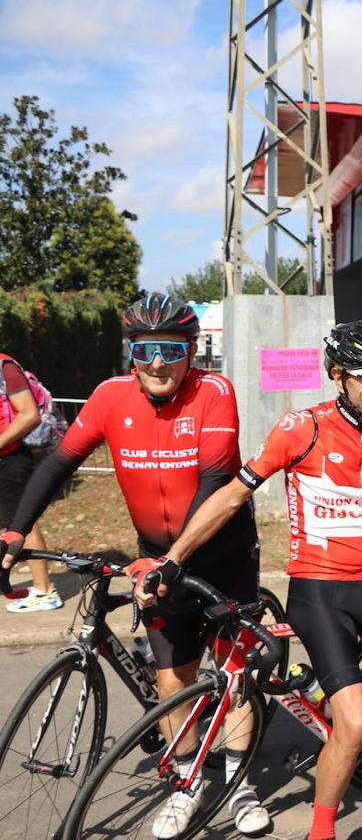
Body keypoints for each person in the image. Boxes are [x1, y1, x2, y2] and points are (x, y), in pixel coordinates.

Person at [141, 320, 362, 840]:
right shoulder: (302, 428)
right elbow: (233, 496)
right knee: (354, 722)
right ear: (338, 375)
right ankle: (320, 832)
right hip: (320, 593)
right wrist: (174, 557)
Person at [0, 293, 270, 838]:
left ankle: (242, 786)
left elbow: (218, 484)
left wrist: (171, 560)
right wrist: (13, 534)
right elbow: (57, 464)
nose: (157, 363)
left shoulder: (215, 392)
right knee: (173, 677)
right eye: (145, 349)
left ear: (192, 351)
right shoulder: (109, 398)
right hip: (158, 555)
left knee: (234, 673)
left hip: (222, 552)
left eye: (171, 349)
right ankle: (190, 784)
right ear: (131, 352)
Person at [0, 352, 58, 613]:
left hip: (9, 458)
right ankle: (9, 584)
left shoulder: (5, 367)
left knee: (21, 524)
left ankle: (45, 591)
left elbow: (29, 414)